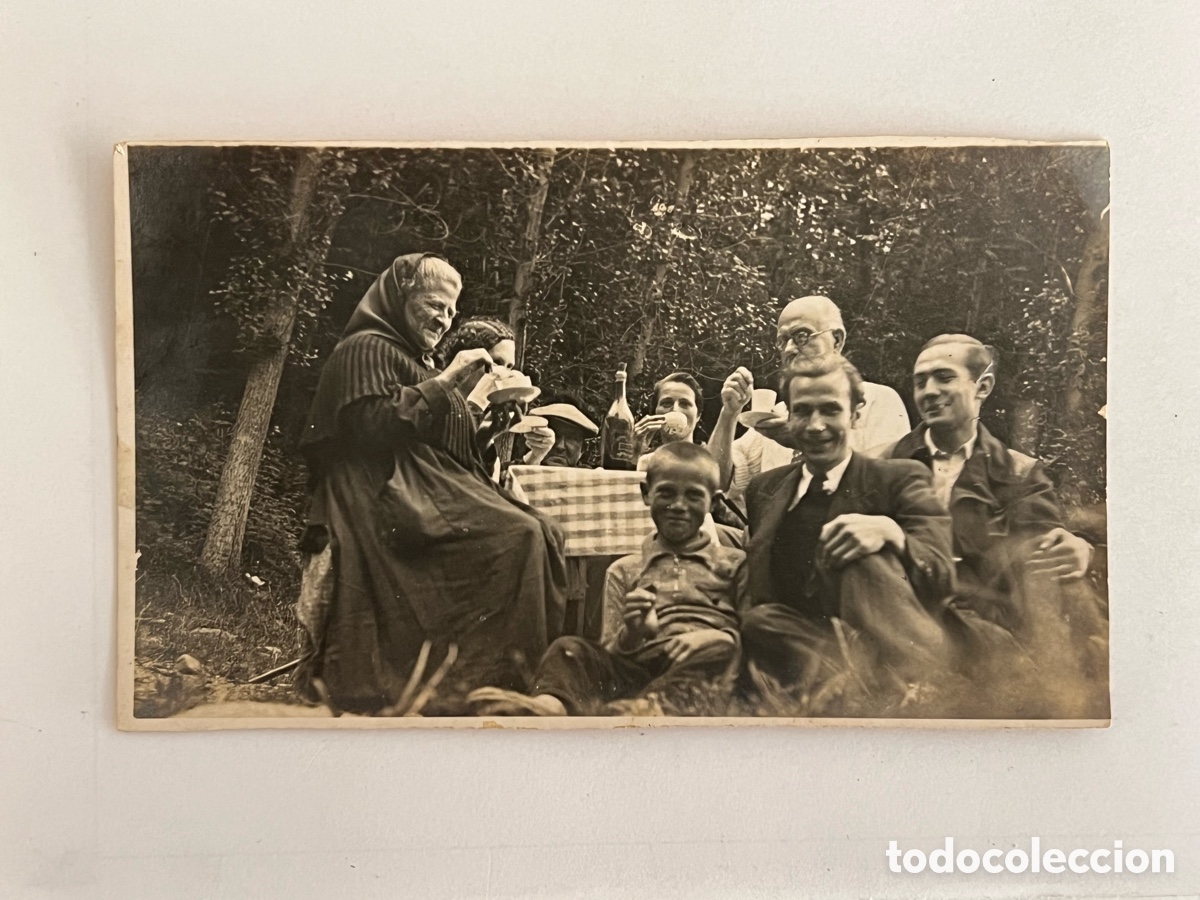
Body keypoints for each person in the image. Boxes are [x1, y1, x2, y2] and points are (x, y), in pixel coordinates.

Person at [293, 253, 568, 715]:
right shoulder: (366, 348)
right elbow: (372, 427)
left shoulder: (416, 362)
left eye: (451, 312)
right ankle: (479, 684)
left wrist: (489, 428)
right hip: (380, 496)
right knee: (518, 536)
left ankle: (509, 682)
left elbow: (449, 449)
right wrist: (452, 380)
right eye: (434, 306)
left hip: (423, 490)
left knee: (545, 530)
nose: (443, 320)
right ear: (401, 298)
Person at [877, 334, 1106, 714]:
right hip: (903, 622)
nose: (929, 392)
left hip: (989, 626)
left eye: (944, 378)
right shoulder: (883, 464)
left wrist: (1076, 547)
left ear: (982, 386)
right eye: (920, 382)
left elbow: (1039, 545)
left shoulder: (1019, 471)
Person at [466, 443, 749, 716]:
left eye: (694, 496)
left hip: (704, 664)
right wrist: (634, 631)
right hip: (640, 669)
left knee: (720, 652)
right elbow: (611, 648)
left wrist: (719, 636)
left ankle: (648, 709)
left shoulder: (734, 563)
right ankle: (549, 705)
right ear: (645, 493)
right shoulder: (625, 569)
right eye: (666, 493)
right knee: (570, 648)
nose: (678, 505)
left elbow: (755, 634)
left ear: (713, 502)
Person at [739, 354, 955, 703]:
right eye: (803, 411)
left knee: (860, 556)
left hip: (894, 645)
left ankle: (901, 685)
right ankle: (851, 685)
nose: (815, 425)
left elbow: (941, 574)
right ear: (788, 417)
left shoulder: (899, 478)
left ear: (855, 413)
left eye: (830, 410)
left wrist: (892, 534)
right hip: (803, 646)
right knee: (760, 620)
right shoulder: (764, 489)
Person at [709, 295, 912, 503]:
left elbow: (884, 481)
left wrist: (800, 438)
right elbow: (713, 482)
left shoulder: (877, 400)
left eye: (801, 335)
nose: (789, 349)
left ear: (837, 341)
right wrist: (729, 414)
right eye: (782, 340)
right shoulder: (777, 415)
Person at [438, 316, 555, 473]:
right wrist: (477, 401)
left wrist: (534, 456)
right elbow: (446, 469)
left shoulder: (484, 418)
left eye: (509, 366)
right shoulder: (433, 404)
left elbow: (487, 481)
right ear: (465, 361)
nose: (503, 373)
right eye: (496, 363)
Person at [633, 371, 704, 470]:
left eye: (684, 404)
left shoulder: (714, 455)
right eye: (666, 403)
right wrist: (635, 456)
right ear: (655, 413)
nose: (675, 410)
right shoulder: (646, 461)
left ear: (698, 416)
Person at [526, 394, 600, 468]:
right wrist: (533, 459)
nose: (560, 446)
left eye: (571, 437)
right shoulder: (518, 469)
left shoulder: (592, 478)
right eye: (554, 435)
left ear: (583, 449)